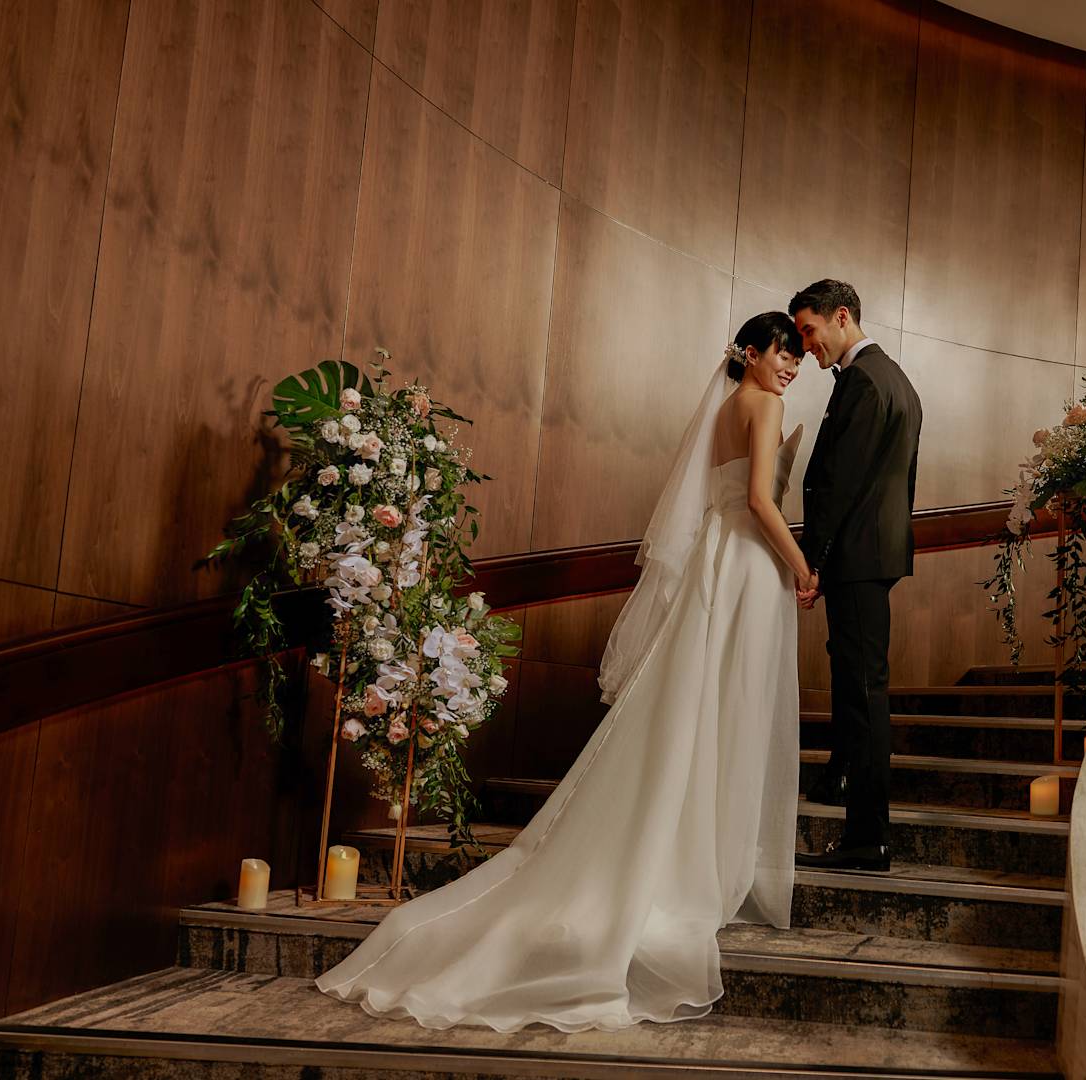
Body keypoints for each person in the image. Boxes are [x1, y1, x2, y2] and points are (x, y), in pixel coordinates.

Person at [316, 313, 808, 1032]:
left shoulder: (729, 407)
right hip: (749, 567)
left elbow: (718, 503)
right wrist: (801, 569)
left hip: (716, 564)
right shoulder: (766, 405)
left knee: (697, 712)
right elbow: (761, 501)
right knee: (727, 713)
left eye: (797, 355)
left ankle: (688, 846)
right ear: (752, 354)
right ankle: (701, 862)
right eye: (782, 352)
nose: (791, 365)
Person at [789, 280, 922, 874]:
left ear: (841, 317)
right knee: (852, 678)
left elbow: (841, 483)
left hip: (856, 557)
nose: (805, 345)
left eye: (810, 330)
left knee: (865, 693)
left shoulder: (866, 380)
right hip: (874, 553)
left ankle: (869, 839)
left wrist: (811, 559)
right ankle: (838, 778)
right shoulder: (894, 378)